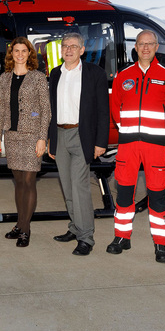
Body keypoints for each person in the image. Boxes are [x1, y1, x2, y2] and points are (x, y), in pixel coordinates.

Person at [107, 30, 165, 263]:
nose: (145, 48)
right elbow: (115, 106)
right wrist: (126, 128)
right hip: (128, 145)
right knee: (124, 193)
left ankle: (162, 244)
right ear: (134, 47)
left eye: (150, 44)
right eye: (141, 44)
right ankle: (122, 237)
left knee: (157, 196)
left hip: (156, 146)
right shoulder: (123, 74)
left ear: (157, 47)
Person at [48, 32, 109, 256]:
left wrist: (100, 142)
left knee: (80, 186)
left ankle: (86, 238)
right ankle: (74, 228)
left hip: (82, 135)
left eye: (74, 46)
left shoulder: (95, 73)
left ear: (82, 50)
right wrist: (50, 141)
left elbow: (103, 110)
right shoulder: (55, 74)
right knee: (67, 186)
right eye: (65, 46)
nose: (69, 50)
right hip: (60, 135)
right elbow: (50, 111)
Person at [0, 37, 51, 247]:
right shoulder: (5, 78)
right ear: (11, 54)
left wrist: (42, 138)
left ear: (29, 54)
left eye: (23, 51)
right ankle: (19, 224)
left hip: (31, 136)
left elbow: (46, 110)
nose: (19, 54)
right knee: (18, 182)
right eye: (16, 51)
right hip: (12, 136)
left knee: (29, 182)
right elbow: (0, 108)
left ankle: (25, 230)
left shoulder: (37, 77)